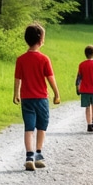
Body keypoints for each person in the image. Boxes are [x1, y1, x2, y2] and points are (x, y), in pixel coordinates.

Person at [13, 23, 61, 171]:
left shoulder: (21, 59)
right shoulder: (44, 59)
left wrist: (16, 94)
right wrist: (57, 94)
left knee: (29, 127)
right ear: (41, 40)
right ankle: (38, 154)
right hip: (41, 99)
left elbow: (17, 79)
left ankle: (29, 156)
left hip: (26, 98)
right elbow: (50, 78)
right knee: (42, 126)